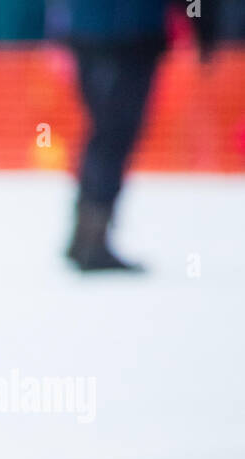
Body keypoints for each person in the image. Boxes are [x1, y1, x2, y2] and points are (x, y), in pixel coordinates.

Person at [50, 0, 217, 272]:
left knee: (105, 134)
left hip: (92, 32)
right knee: (112, 135)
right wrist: (203, 25)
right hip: (126, 35)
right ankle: (91, 238)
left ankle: (87, 235)